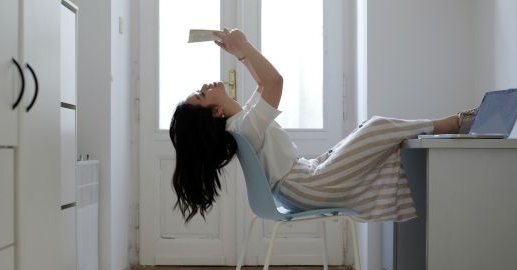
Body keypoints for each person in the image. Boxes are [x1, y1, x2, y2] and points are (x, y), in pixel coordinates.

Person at [169, 28, 476, 223]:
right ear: (215, 112)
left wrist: (241, 53)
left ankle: (452, 123)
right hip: (308, 186)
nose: (205, 85)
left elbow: (264, 85)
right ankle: (454, 122)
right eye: (201, 94)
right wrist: (244, 48)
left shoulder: (243, 122)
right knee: (376, 127)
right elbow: (274, 82)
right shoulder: (244, 127)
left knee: (368, 127)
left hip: (307, 179)